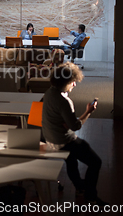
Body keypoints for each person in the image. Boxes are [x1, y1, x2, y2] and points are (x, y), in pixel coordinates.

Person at [42, 62, 106, 206]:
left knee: (71, 160)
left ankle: (79, 187)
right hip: (63, 141)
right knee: (96, 162)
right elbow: (75, 126)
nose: (75, 85)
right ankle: (90, 197)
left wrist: (64, 124)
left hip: (50, 139)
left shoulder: (49, 93)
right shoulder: (64, 101)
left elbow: (57, 119)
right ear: (65, 82)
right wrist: (88, 112)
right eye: (73, 82)